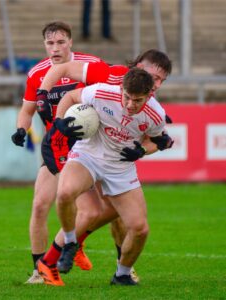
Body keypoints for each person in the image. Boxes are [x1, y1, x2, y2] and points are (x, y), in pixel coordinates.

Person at [36, 48, 173, 281]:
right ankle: (67, 245)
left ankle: (123, 273)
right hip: (87, 155)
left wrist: (141, 150)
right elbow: (69, 90)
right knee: (68, 195)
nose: (130, 104)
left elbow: (161, 141)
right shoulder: (103, 88)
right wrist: (58, 122)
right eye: (155, 77)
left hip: (119, 166)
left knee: (138, 228)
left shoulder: (155, 112)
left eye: (161, 80)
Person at [11, 21, 105, 284]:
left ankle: (124, 268)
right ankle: (39, 270)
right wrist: (21, 129)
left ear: (71, 42)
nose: (55, 48)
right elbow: (27, 110)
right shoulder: (36, 74)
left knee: (109, 209)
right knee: (40, 205)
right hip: (56, 147)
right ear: (44, 45)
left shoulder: (90, 65)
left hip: (91, 147)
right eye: (50, 43)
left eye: (61, 42)